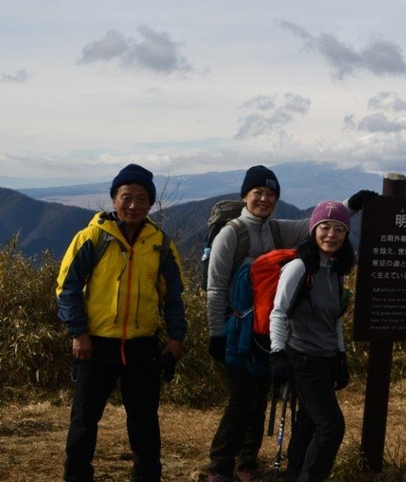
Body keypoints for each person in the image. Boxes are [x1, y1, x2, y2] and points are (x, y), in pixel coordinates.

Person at [205, 165, 374, 482]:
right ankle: (219, 465)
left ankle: (247, 464)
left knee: (258, 399)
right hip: (237, 331)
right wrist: (216, 333)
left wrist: (354, 202)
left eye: (271, 194)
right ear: (245, 195)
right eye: (258, 192)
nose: (265, 199)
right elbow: (215, 288)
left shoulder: (277, 230)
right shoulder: (231, 233)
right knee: (241, 400)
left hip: (265, 332)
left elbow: (321, 223)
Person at [56, 163, 186, 482]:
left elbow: (174, 296)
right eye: (126, 197)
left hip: (142, 346)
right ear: (114, 199)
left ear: (150, 203)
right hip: (96, 344)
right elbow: (66, 286)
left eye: (141, 199)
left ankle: (146, 477)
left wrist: (175, 338)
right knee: (85, 419)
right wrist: (78, 333)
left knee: (144, 421)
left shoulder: (160, 243)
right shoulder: (92, 237)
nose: (133, 205)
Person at [269, 200, 355, 482]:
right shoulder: (298, 267)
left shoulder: (334, 270)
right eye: (325, 227)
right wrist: (278, 353)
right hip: (303, 358)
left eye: (340, 229)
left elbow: (334, 319)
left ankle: (295, 473)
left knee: (308, 421)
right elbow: (278, 311)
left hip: (326, 358)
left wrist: (340, 356)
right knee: (331, 426)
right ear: (313, 229)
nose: (332, 234)